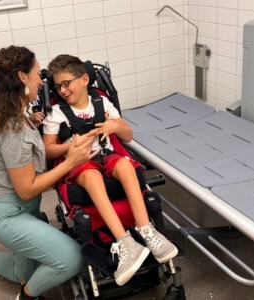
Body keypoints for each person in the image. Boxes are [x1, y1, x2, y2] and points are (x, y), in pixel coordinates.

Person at [0, 46, 97, 300]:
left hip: (22, 211)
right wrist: (70, 162)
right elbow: (26, 188)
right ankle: (26, 296)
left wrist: (68, 147)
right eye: (38, 73)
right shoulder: (12, 129)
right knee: (71, 258)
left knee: (22, 270)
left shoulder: (22, 116)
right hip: (7, 216)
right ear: (22, 77)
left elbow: (34, 154)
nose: (42, 80)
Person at [42, 54, 178, 286]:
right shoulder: (57, 113)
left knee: (125, 164)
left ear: (84, 79)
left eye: (67, 83)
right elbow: (48, 150)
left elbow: (127, 135)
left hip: (107, 156)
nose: (62, 90)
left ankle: (146, 230)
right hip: (80, 162)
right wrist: (69, 147)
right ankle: (125, 242)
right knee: (91, 175)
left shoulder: (102, 102)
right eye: (58, 86)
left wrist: (115, 125)